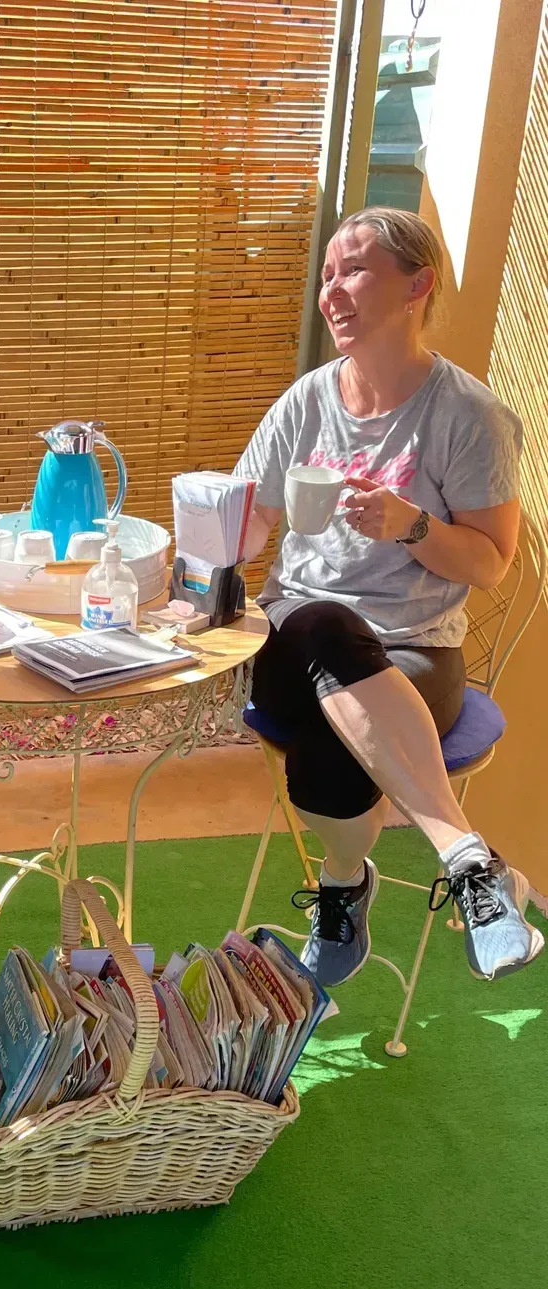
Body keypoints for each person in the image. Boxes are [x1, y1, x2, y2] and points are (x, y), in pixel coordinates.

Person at [235, 205, 542, 987]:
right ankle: (469, 861)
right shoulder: (304, 403)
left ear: (417, 286)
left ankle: (343, 888)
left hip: (414, 649)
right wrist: (214, 534)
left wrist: (412, 526)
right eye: (328, 275)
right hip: (292, 631)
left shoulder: (469, 416)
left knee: (330, 745)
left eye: (355, 270)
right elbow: (250, 522)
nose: (332, 290)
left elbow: (491, 564)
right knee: (321, 622)